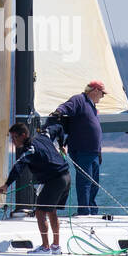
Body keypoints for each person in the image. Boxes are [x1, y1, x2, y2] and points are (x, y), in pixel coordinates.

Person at [0, 122, 72, 251]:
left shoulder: (29, 149)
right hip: (66, 177)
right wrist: (61, 145)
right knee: (51, 211)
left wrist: (6, 185)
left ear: (24, 135)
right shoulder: (44, 135)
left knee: (40, 212)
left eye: (15, 137)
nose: (13, 141)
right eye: (12, 138)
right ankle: (55, 246)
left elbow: (18, 166)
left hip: (55, 181)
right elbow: (58, 127)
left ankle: (45, 247)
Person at [52, 80, 106, 215]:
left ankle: (91, 210)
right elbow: (66, 107)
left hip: (93, 152)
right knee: (85, 182)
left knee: (94, 183)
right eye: (102, 93)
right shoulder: (79, 100)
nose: (103, 96)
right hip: (82, 150)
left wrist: (99, 152)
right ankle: (84, 211)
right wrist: (58, 112)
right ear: (95, 90)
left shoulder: (91, 105)